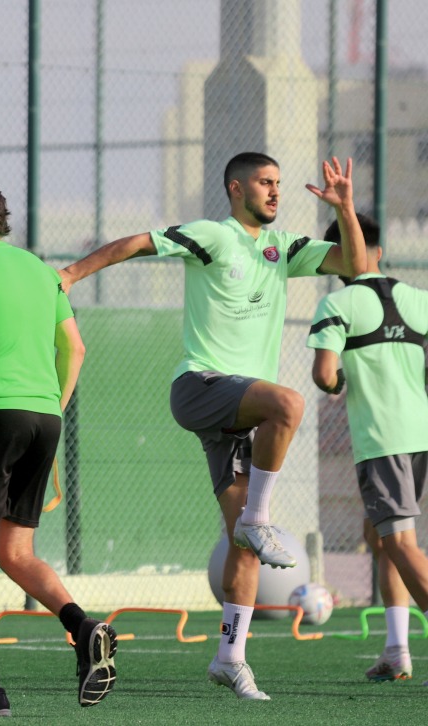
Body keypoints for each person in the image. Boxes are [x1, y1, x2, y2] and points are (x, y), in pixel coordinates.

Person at [59, 153, 365, 700]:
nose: (275, 191)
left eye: (277, 183)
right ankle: (260, 517)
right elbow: (135, 243)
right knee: (290, 405)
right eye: (264, 183)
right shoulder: (213, 236)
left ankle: (230, 658)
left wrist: (344, 208)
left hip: (240, 409)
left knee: (242, 546)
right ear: (235, 187)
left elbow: (357, 267)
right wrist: (69, 274)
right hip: (201, 386)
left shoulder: (283, 248)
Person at [0, 175, 114, 715]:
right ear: (1, 219)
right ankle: (82, 627)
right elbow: (75, 350)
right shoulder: (40, 271)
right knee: (15, 551)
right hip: (44, 418)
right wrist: (51, 409)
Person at [306, 213, 428, 682]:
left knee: (397, 542)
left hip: (383, 440)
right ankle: (397, 650)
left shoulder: (338, 303)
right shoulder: (418, 299)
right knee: (383, 540)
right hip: (420, 435)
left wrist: (340, 379)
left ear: (337, 257)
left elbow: (324, 376)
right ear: (378, 250)